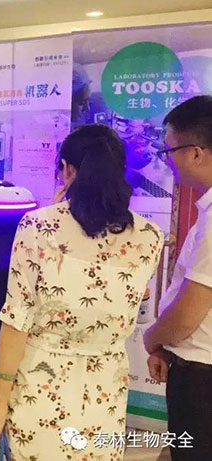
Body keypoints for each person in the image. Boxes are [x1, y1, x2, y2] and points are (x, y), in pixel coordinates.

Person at [0, 124, 164, 460]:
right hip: (105, 393)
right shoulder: (150, 236)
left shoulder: (38, 227)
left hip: (41, 388)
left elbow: (16, 322)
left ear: (67, 169)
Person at [144, 95, 212, 461]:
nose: (167, 160)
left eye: (170, 150)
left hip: (201, 378)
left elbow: (189, 311)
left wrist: (152, 338)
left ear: (197, 153)